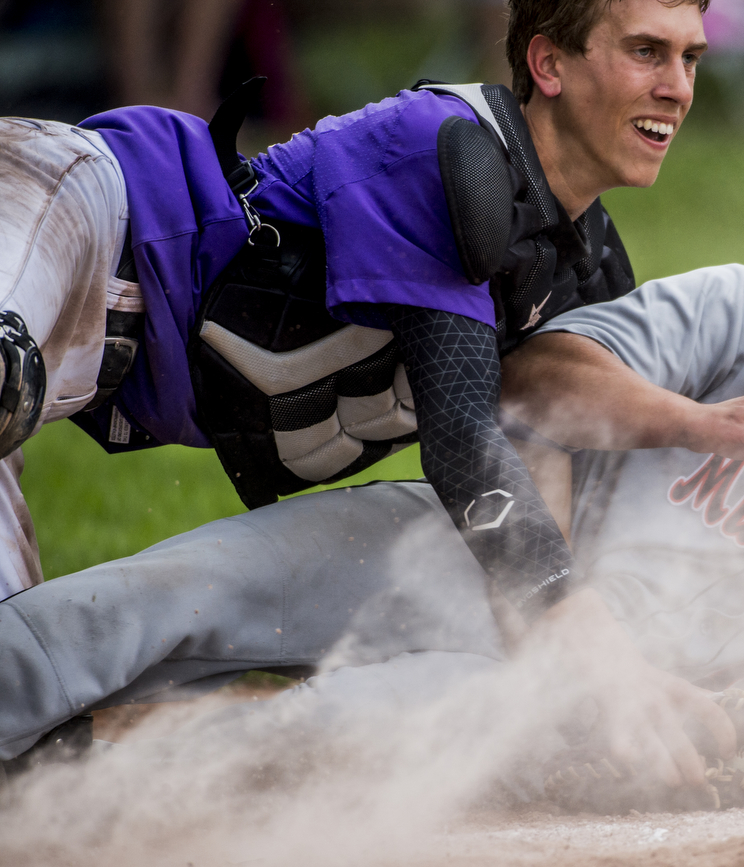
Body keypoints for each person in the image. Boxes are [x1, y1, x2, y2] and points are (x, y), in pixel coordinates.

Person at [0, 215, 744, 787]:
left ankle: (86, 780)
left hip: (589, 707)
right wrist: (687, 418)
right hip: (468, 554)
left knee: (285, 739)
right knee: (152, 599)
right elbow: (525, 379)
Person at [0, 0, 707, 670]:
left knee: (15, 693)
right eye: (647, 52)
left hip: (98, 364)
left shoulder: (586, 273)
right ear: (548, 64)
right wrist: (565, 615)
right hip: (85, 202)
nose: (677, 87)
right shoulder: (451, 150)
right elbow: (462, 442)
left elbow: (567, 497)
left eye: (691, 59)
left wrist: (607, 679)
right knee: (3, 371)